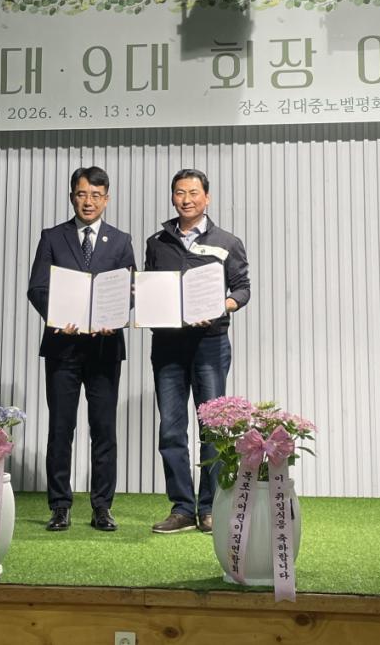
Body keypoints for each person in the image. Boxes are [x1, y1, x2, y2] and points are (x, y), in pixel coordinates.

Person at [28, 166, 136, 532]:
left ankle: (102, 507)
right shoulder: (52, 237)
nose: (88, 201)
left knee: (103, 430)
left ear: (107, 199)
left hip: (105, 348)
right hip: (63, 348)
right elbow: (37, 288)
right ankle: (60, 506)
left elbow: (129, 290)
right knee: (61, 428)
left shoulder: (120, 241)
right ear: (72, 196)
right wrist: (57, 316)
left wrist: (116, 316)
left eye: (95, 195)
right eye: (81, 194)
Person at [145, 168, 250, 534]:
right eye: (179, 192)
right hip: (168, 347)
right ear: (172, 197)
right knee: (171, 430)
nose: (186, 199)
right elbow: (151, 288)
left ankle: (210, 508)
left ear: (207, 197)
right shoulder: (157, 242)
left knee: (213, 429)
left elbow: (242, 289)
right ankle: (182, 508)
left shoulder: (227, 242)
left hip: (210, 345)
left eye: (193, 192)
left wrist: (223, 305)